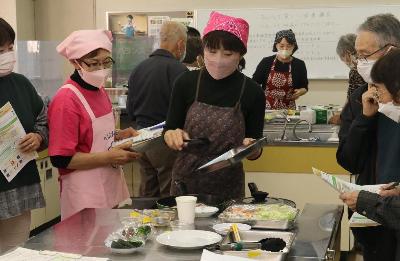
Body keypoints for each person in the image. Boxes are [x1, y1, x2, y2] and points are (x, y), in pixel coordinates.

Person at [164, 11, 265, 201]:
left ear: (240, 54)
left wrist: (253, 148)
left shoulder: (253, 92)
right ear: (203, 49)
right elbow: (170, 129)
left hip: (227, 183)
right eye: (212, 51)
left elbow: (255, 148)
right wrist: (171, 135)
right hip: (186, 180)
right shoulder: (186, 82)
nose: (218, 60)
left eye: (228, 54)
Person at [48, 30, 140, 220]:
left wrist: (119, 135)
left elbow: (91, 134)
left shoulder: (99, 90)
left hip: (108, 182)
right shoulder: (66, 100)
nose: (101, 68)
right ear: (75, 62)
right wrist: (108, 157)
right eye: (93, 63)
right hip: (84, 191)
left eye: (106, 62)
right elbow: (61, 159)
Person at [336, 13, 400, 261]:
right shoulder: (359, 97)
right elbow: (349, 161)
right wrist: (365, 118)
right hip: (373, 215)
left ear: (391, 49)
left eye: (365, 55)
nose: (359, 62)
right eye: (357, 55)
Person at [0, 18, 47, 253]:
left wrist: (38, 137)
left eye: (10, 48)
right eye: (1, 50)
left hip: (18, 185)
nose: (8, 55)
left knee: (15, 251)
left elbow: (43, 119)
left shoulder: (21, 84)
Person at [340, 49, 400, 232]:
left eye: (380, 89)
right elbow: (349, 159)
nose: (377, 96)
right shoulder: (360, 100)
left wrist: (366, 201)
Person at [127, 21, 187, 197]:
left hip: (141, 139)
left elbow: (130, 108)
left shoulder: (139, 68)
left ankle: (145, 223)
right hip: (165, 141)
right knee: (169, 192)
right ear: (181, 44)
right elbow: (185, 111)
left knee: (147, 190)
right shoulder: (179, 70)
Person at [252, 29, 308, 110]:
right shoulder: (266, 62)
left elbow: (304, 87)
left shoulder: (299, 64)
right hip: (266, 107)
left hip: (289, 109)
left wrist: (300, 92)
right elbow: (254, 83)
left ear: (293, 46)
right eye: (281, 46)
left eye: (288, 46)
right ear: (276, 45)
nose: (285, 49)